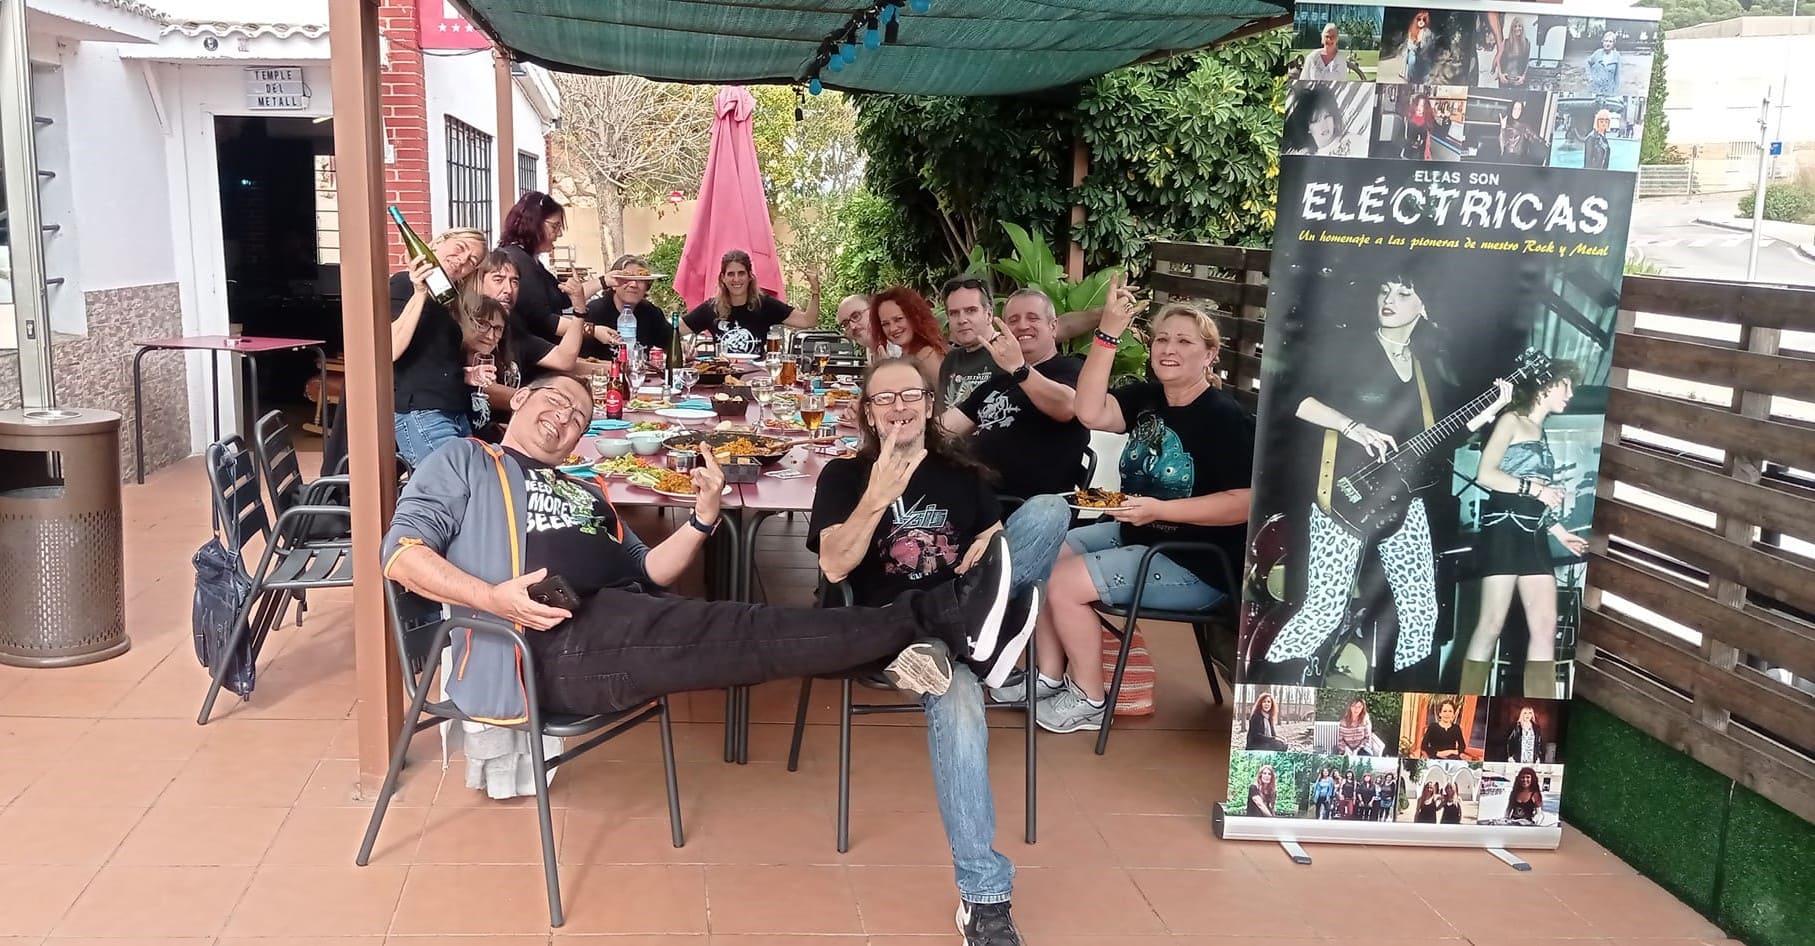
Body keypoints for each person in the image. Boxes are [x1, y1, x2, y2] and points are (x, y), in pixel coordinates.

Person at [383, 370, 1038, 946]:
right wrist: (492, 598)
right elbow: (401, 553)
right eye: (554, 402)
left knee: (750, 635)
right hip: (543, 644)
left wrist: (700, 517)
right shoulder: (463, 462)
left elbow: (650, 572)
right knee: (743, 634)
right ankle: (945, 618)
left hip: (617, 618)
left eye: (579, 416)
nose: (563, 419)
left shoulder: (583, 491)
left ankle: (938, 627)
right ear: (520, 399)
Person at [1008, 287, 1255, 734]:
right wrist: (1108, 334)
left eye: (1184, 341)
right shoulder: (1149, 398)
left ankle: (1089, 697)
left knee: (1063, 584)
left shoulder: (1224, 417)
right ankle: (1046, 675)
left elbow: (1244, 503)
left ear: (1210, 355)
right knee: (1044, 554)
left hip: (1197, 560)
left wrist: (1162, 508)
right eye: (1162, 339)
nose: (1169, 348)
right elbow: (1086, 410)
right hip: (1140, 533)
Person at [1258, 273, 1511, 682]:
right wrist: (1351, 426)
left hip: (1402, 499)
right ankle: (1270, 690)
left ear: (1423, 307)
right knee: (1324, 609)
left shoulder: (1424, 368)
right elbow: (1294, 400)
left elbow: (1434, 440)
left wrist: (1490, 409)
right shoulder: (1350, 347)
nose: (1389, 299)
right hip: (1342, 495)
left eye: (1404, 293)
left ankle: (1402, 705)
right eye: (1385, 290)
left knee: (1420, 612)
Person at [809, 357, 1070, 637]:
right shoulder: (843, 475)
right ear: (870, 414)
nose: (899, 406)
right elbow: (834, 567)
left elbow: (993, 536)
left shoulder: (962, 470)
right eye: (884, 398)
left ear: (929, 406)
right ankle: (971, 634)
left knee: (1050, 508)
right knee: (959, 678)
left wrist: (986, 543)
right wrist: (875, 499)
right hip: (888, 624)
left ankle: (965, 629)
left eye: (911, 395)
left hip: (960, 608)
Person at [1459, 365, 1587, 698]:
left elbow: (1537, 496)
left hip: (1534, 536)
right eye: (1566, 386)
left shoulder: (1539, 431)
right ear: (1544, 386)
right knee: (1490, 626)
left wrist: (1558, 531)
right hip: (1503, 531)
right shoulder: (1511, 420)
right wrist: (1534, 488)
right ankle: (1464, 705)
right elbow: (1486, 474)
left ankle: (1540, 712)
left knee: (1545, 627)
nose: (1570, 394)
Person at [939, 289, 1091, 500]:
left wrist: (1020, 369)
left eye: (1032, 318)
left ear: (1053, 326)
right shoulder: (999, 381)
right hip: (976, 496)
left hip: (1029, 504)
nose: (1022, 326)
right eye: (1013, 320)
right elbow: (943, 428)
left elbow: (1066, 407)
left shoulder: (1071, 368)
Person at [389, 227, 488, 464]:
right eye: (460, 248)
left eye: (471, 261)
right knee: (454, 486)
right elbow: (389, 349)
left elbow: (427, 358)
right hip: (422, 411)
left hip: (452, 410)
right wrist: (420, 293)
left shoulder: (448, 299)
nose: (462, 260)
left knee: (469, 482)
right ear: (438, 243)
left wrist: (464, 374)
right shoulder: (404, 284)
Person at [497, 191, 622, 360]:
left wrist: (605, 281)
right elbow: (544, 321)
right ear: (533, 224)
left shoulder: (531, 261)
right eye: (555, 227)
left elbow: (564, 296)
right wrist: (593, 330)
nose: (560, 234)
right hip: (531, 359)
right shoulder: (517, 261)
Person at [681, 249, 819, 355]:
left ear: (749, 276)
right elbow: (673, 330)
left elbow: (808, 321)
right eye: (731, 274)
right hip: (722, 380)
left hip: (757, 379)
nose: (736, 279)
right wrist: (679, 343)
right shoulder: (711, 308)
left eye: (741, 273)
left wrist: (815, 291)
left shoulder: (765, 305)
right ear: (723, 278)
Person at [583, 255, 673, 357]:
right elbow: (579, 360)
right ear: (613, 284)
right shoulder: (594, 311)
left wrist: (682, 346)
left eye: (640, 280)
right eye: (627, 279)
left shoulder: (651, 312)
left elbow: (671, 344)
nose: (634, 284)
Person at [939, 277, 1003, 406]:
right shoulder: (951, 360)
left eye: (971, 311)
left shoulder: (1007, 351)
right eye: (954, 313)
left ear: (989, 314)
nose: (962, 320)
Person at [454, 295, 509, 437]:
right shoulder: (451, 368)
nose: (491, 336)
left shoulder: (499, 365)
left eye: (498, 329)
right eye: (483, 324)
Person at [870, 286, 948, 382]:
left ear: (915, 317)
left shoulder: (927, 355)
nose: (893, 328)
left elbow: (942, 395)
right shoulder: (907, 354)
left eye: (898, 319)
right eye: (885, 324)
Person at [1283, 84, 1350, 157]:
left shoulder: (1351, 141)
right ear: (1308, 128)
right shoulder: (1303, 156)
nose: (1324, 125)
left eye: (1326, 116)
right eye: (1316, 121)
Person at [1300, 24, 1368, 81]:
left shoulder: (1341, 58)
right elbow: (1303, 81)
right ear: (1322, 38)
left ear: (1337, 39)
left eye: (1333, 37)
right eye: (1327, 36)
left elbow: (1342, 82)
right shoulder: (1312, 57)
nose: (1329, 39)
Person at [1499, 98, 1545, 165]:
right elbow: (1502, 144)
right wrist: (1503, 127)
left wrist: (1543, 142)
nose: (1517, 111)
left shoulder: (1524, 126)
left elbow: (1533, 136)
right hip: (1507, 159)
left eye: (1519, 109)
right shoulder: (1505, 123)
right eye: (1515, 109)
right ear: (1511, 109)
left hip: (1518, 159)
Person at [1495, 17, 1531, 88]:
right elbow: (1498, 59)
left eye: (1519, 26)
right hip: (1505, 79)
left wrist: (1523, 77)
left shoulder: (1527, 43)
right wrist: (1500, 74)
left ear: (1522, 28)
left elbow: (1527, 62)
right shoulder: (1506, 42)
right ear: (1512, 28)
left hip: (1518, 81)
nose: (1517, 28)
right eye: (1515, 26)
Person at [1586, 31, 1621, 101]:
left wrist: (1615, 92)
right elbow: (1588, 63)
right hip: (1595, 90)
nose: (1607, 44)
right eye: (1606, 41)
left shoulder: (1616, 56)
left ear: (1613, 43)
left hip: (1609, 92)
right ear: (1602, 42)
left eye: (1610, 42)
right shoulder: (1597, 53)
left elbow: (1617, 76)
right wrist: (1590, 78)